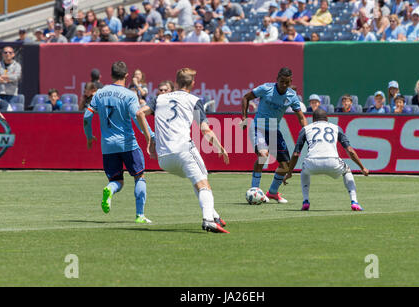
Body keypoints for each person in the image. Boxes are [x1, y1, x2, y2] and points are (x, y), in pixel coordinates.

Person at [135, 68, 230, 234]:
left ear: (176, 83)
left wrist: (149, 138)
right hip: (183, 150)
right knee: (203, 183)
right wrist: (219, 146)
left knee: (198, 178)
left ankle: (214, 215)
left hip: (164, 158)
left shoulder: (160, 98)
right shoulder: (194, 100)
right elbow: (205, 130)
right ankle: (208, 220)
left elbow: (139, 113)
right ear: (193, 83)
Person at [83, 61, 155, 224]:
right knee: (139, 177)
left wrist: (89, 136)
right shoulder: (130, 95)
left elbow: (87, 116)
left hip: (108, 145)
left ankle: (109, 189)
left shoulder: (100, 93)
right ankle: (140, 216)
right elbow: (138, 116)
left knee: (116, 181)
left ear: (111, 74)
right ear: (126, 75)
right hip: (128, 144)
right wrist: (150, 135)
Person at [240, 67, 308, 204]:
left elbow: (301, 117)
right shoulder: (266, 89)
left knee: (286, 166)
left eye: (287, 83)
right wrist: (244, 117)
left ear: (290, 82)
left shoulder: (292, 96)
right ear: (277, 79)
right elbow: (246, 97)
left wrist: (308, 131)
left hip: (273, 129)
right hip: (258, 127)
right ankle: (255, 190)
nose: (284, 85)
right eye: (281, 81)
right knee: (263, 156)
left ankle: (272, 193)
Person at [283, 108, 369, 211]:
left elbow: (296, 154)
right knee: (347, 170)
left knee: (304, 171)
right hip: (332, 162)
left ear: (313, 119)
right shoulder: (336, 128)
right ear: (327, 118)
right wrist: (362, 167)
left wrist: (289, 172)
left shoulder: (306, 129)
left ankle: (305, 201)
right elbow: (350, 150)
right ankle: (354, 202)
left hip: (312, 162)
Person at [0, 46, 22, 112]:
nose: (7, 54)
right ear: (2, 54)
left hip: (11, 95)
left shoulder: (17, 65)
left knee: (11, 114)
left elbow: (16, 77)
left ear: (13, 54)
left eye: (10, 52)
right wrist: (8, 78)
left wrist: (3, 76)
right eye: (5, 52)